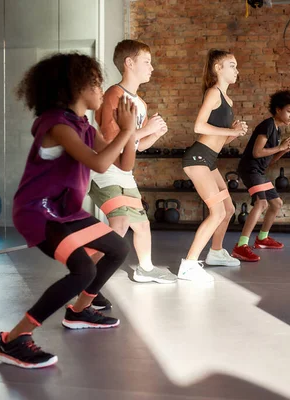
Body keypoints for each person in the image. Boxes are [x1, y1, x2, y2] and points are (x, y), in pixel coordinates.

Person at [0, 53, 136, 369]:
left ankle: (79, 311)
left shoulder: (83, 125)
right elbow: (98, 163)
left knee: (117, 247)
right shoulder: (56, 124)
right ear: (77, 87)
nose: (102, 91)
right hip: (39, 211)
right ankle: (14, 339)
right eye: (97, 84)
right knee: (83, 270)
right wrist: (125, 132)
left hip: (64, 210)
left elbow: (122, 164)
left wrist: (132, 130)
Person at [88, 40, 176, 311]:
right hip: (104, 171)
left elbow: (135, 145)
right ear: (129, 63)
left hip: (125, 173)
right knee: (120, 224)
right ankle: (87, 281)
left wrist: (152, 134)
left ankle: (145, 269)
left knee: (141, 225)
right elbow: (112, 143)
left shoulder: (141, 102)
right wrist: (145, 128)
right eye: (147, 62)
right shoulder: (114, 96)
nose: (152, 67)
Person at [178, 49, 247, 282]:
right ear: (218, 68)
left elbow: (220, 139)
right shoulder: (213, 93)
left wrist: (234, 134)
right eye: (232, 65)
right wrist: (231, 130)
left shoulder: (228, 100)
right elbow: (199, 126)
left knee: (228, 209)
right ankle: (188, 265)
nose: (236, 70)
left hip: (210, 160)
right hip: (197, 158)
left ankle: (216, 252)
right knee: (217, 211)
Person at [231, 90, 290, 262]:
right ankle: (241, 246)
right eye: (289, 111)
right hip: (250, 169)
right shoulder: (267, 125)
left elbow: (268, 160)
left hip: (259, 171)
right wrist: (279, 147)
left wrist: (283, 150)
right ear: (278, 109)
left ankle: (262, 239)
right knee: (261, 203)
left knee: (276, 203)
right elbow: (256, 152)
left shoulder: (275, 130)